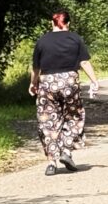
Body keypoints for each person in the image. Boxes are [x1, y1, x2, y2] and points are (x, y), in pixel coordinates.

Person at [29, 10, 99, 176]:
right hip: (69, 81)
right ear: (68, 23)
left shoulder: (42, 41)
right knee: (74, 116)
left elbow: (36, 68)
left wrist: (33, 83)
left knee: (47, 121)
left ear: (52, 23)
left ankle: (52, 163)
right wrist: (94, 80)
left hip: (47, 83)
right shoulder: (76, 38)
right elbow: (83, 62)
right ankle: (66, 151)